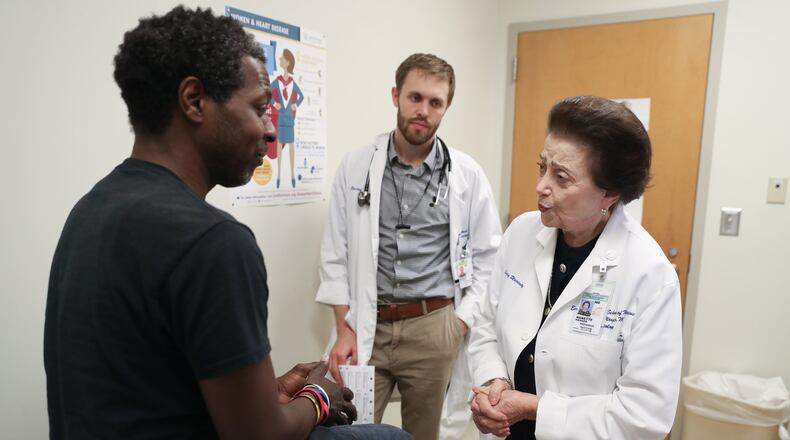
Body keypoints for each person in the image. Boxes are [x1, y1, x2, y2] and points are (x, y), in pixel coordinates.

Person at [43, 7, 409, 440]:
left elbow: (149, 392)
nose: (271, 130)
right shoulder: (213, 242)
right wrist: (319, 397)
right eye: (259, 108)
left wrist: (269, 391)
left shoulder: (91, 210)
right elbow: (258, 436)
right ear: (194, 100)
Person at [468, 96, 682, 439]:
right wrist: (494, 381)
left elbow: (645, 415)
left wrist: (534, 408)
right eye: (542, 167)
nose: (541, 186)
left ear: (609, 195)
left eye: (562, 177)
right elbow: (487, 325)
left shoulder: (650, 274)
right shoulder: (521, 233)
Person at [315, 53, 502, 440]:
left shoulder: (466, 174)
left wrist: (460, 322)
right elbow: (335, 253)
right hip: (367, 325)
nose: (423, 110)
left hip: (434, 325)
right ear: (396, 95)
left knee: (424, 434)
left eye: (435, 102)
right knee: (352, 430)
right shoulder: (356, 167)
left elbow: (488, 257)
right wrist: (344, 327)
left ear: (446, 107)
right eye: (415, 97)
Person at [271, 48, 304, 188]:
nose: (279, 60)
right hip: (281, 119)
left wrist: (295, 104)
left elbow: (301, 96)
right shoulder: (277, 82)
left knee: (291, 146)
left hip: (289, 119)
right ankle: (278, 175)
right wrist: (274, 103)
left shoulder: (292, 82)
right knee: (279, 145)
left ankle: (292, 175)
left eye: (282, 59)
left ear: (287, 62)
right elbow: (268, 93)